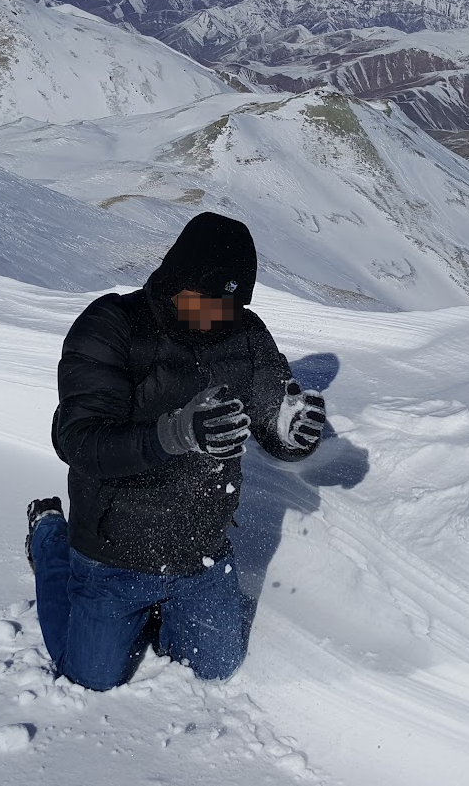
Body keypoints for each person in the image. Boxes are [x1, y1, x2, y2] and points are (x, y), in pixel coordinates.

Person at [26, 211, 327, 691]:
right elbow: (79, 441)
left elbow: (274, 421)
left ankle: (161, 612)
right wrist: (176, 433)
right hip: (112, 550)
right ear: (173, 281)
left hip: (200, 552)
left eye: (228, 304)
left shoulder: (247, 334)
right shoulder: (111, 326)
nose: (215, 317)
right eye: (203, 300)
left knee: (216, 668)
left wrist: (293, 434)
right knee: (91, 677)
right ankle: (47, 537)